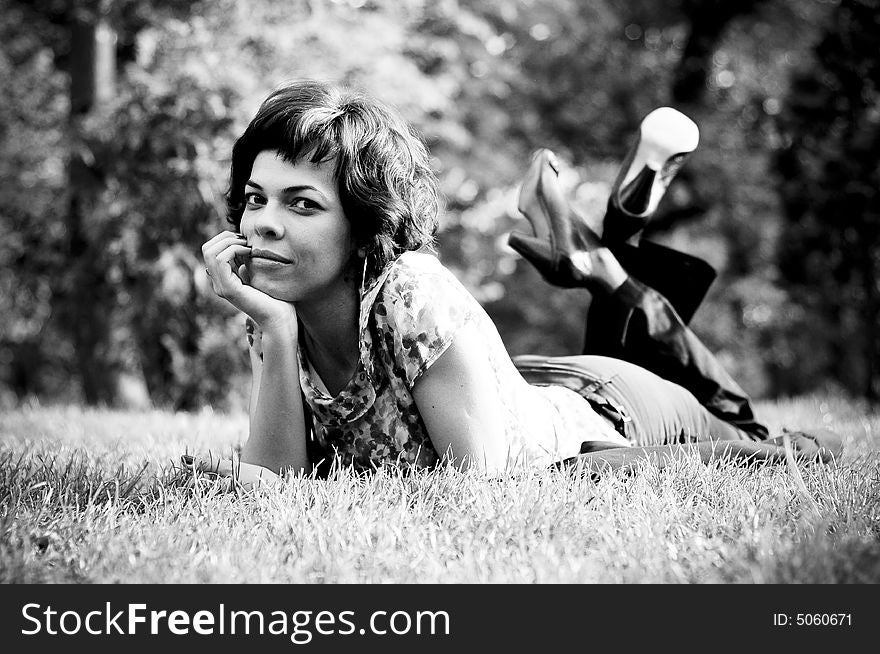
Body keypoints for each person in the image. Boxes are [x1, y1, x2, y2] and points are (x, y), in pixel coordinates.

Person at [198, 80, 841, 486]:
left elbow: (475, 488)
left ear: (366, 224)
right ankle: (602, 260)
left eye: (302, 204)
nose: (264, 226)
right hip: (536, 386)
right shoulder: (278, 308)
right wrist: (277, 331)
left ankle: (609, 268)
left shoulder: (410, 291)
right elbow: (270, 490)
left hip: (607, 410)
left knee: (761, 441)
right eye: (256, 199)